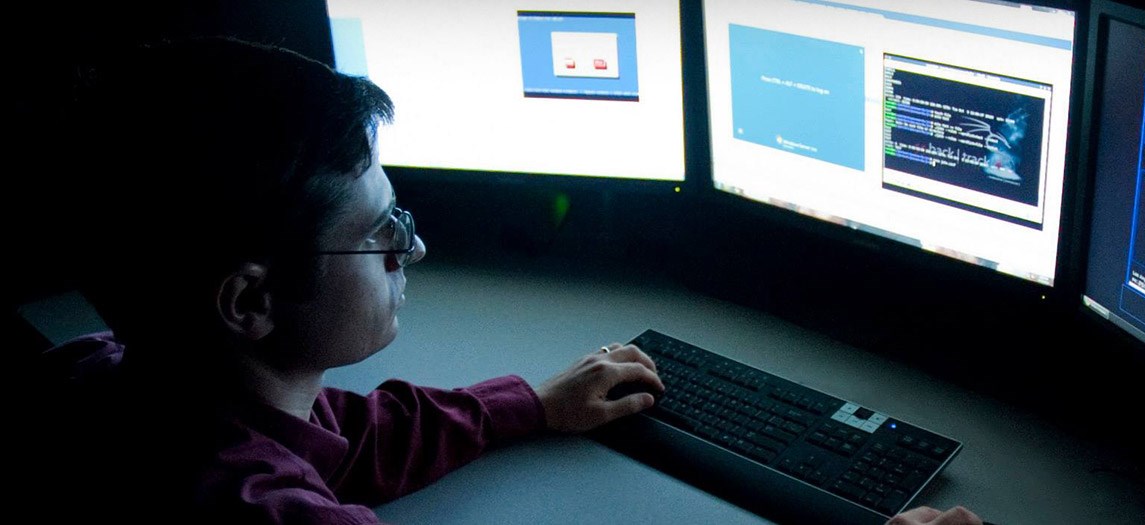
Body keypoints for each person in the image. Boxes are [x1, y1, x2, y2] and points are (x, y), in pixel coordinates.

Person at [29, 36, 984, 525]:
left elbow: (337, 437)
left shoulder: (109, 371)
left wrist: (527, 403)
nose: (414, 249)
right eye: (380, 232)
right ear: (247, 301)